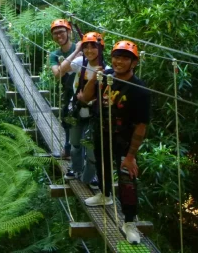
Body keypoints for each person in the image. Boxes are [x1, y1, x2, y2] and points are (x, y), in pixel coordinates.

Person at [81, 40, 150, 245]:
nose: (119, 61)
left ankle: (129, 223)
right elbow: (85, 97)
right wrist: (94, 78)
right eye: (116, 57)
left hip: (124, 140)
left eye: (125, 58)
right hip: (102, 132)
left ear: (134, 63)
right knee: (101, 164)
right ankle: (105, 194)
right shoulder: (106, 76)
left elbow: (141, 125)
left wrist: (130, 156)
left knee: (127, 180)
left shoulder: (140, 90)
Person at [59, 32, 109, 188]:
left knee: (92, 150)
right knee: (75, 144)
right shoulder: (81, 62)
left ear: (101, 49)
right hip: (77, 110)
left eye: (93, 47)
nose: (89, 51)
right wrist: (76, 50)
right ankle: (76, 169)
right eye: (86, 47)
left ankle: (89, 177)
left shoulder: (107, 70)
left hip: (94, 114)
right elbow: (62, 69)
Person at [48, 19, 80, 159]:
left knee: (82, 123)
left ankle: (79, 154)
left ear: (69, 32)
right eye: (55, 33)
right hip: (68, 91)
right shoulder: (55, 55)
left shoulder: (81, 47)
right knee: (67, 120)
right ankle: (68, 149)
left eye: (61, 32)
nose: (58, 36)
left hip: (83, 92)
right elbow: (57, 74)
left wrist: (64, 66)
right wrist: (77, 52)